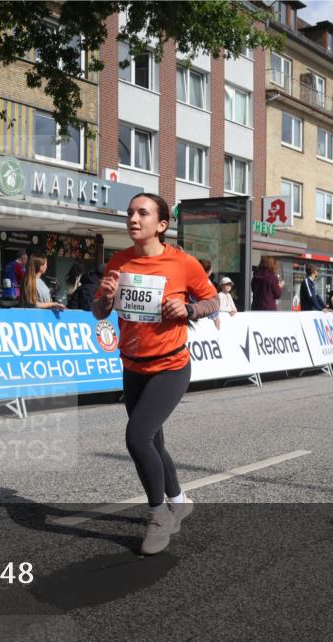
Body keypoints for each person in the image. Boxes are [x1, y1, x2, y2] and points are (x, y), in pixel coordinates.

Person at [92, 193, 218, 555]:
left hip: (170, 366)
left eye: (142, 213)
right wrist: (104, 296)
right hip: (132, 366)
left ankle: (159, 515)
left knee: (137, 437)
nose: (133, 218)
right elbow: (100, 313)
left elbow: (213, 301)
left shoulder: (181, 263)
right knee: (153, 442)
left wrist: (189, 308)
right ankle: (178, 500)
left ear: (161, 225)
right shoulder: (118, 261)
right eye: (130, 212)